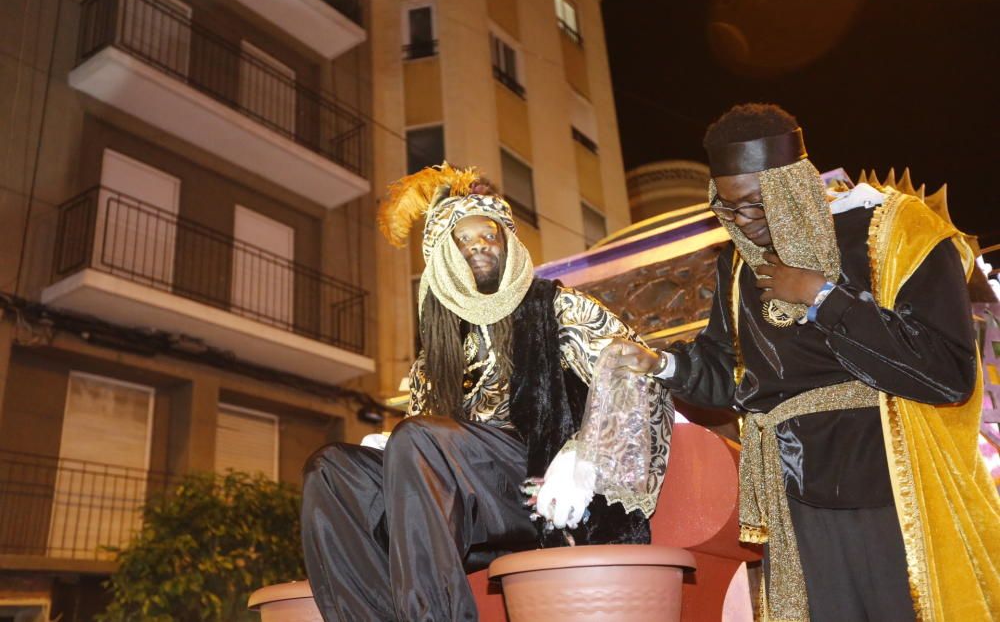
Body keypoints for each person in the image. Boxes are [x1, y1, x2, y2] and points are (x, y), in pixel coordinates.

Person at [613, 103, 1000, 621]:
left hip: (889, 473)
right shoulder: (737, 266)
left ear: (795, 184)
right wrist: (658, 364)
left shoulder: (894, 230)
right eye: (730, 211)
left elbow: (946, 373)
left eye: (757, 204)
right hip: (789, 484)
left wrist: (825, 298)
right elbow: (727, 376)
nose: (745, 225)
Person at [301, 163, 673, 622]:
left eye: (489, 235)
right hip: (461, 494)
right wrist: (391, 450)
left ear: (509, 243)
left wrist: (589, 453)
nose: (479, 244)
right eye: (464, 238)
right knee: (332, 469)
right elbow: (426, 462)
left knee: (418, 439)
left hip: (539, 481)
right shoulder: (433, 357)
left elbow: (636, 372)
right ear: (442, 255)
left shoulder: (556, 305)